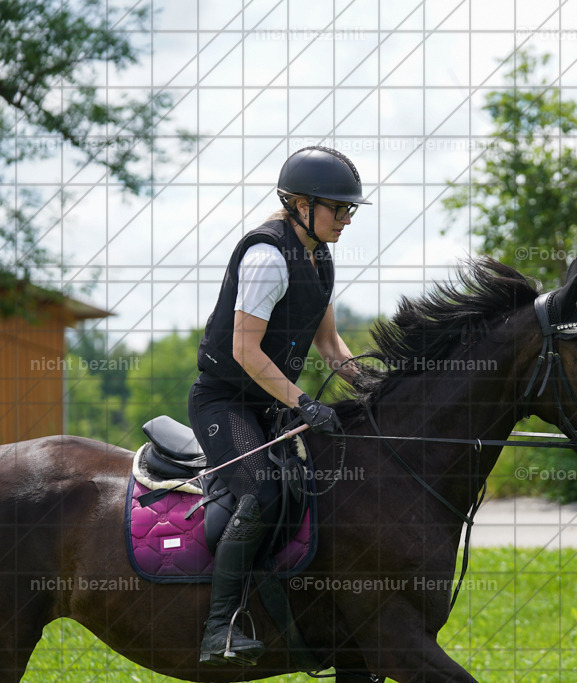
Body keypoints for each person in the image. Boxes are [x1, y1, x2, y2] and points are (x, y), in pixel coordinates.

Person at [187, 145, 368, 666]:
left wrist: (370, 388)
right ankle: (219, 629)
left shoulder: (318, 256)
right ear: (300, 204)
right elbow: (245, 350)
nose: (346, 220)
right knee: (265, 492)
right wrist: (305, 403)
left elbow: (331, 347)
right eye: (339, 209)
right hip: (224, 402)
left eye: (350, 209)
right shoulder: (267, 255)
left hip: (268, 405)